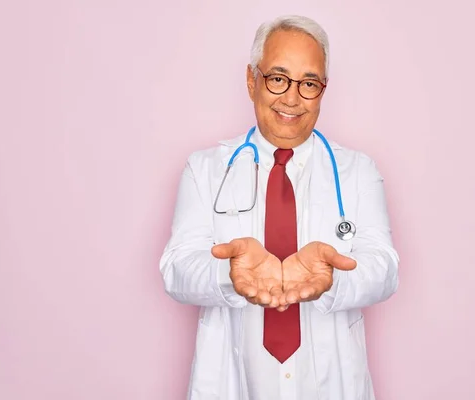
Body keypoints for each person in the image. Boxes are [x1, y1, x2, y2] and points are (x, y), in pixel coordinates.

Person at [159, 14, 400, 400]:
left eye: (309, 83)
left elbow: (385, 268)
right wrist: (229, 274)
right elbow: (176, 269)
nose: (291, 98)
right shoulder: (205, 169)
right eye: (277, 78)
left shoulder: (357, 171)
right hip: (232, 382)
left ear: (323, 90)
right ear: (252, 80)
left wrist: (332, 278)